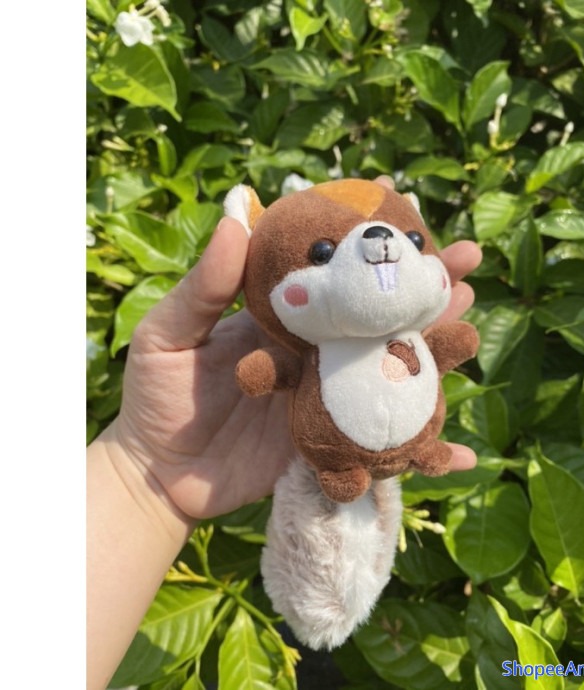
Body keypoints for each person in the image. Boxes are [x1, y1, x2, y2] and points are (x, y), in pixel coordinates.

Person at [86, 176, 482, 690]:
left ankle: (420, 451)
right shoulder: (313, 347)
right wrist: (142, 462)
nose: (386, 248)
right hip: (335, 454)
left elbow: (453, 343)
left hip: (414, 437)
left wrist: (141, 470)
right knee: (339, 481)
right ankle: (343, 472)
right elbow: (275, 370)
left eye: (409, 239)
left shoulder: (408, 328)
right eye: (321, 253)